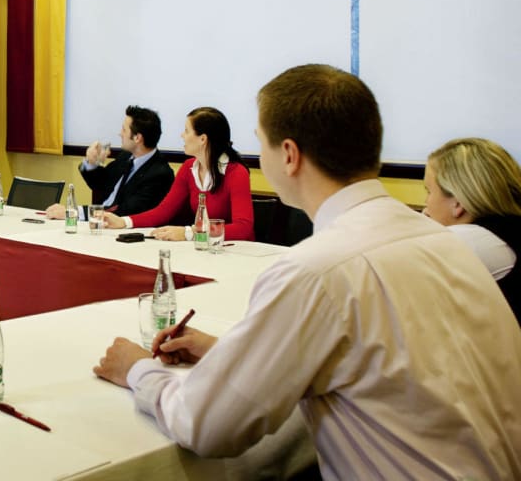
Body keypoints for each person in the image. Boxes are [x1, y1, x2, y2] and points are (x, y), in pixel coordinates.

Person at [94, 64, 521, 479]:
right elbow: (384, 363)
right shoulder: (447, 245)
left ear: (289, 155)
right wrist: (228, 352)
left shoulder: (315, 270)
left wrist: (137, 369)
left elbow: (205, 425)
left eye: (261, 141)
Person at [104, 107, 253, 241]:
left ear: (202, 139)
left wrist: (190, 233)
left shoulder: (236, 172)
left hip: (235, 251)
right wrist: (124, 221)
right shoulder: (188, 168)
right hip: (205, 247)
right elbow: (163, 211)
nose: (182, 135)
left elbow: (243, 228)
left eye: (186, 131)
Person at [424, 137, 521, 320]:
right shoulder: (505, 231)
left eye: (429, 191)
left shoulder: (464, 241)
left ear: (457, 203)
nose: (425, 205)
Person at [45, 105, 173, 219]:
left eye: (124, 130)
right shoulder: (126, 157)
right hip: (99, 222)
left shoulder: (160, 174)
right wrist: (91, 163)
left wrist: (74, 212)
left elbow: (124, 211)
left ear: (137, 138)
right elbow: (101, 184)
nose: (120, 134)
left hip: (119, 230)